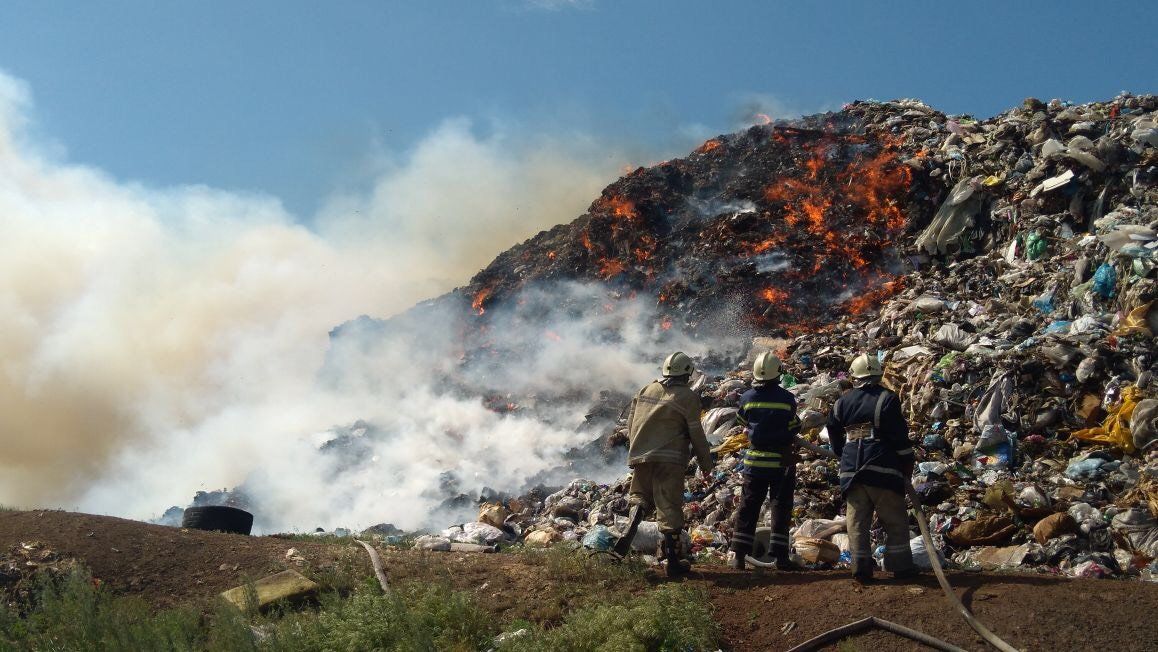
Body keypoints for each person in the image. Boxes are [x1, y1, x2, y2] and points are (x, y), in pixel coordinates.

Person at [612, 351, 713, 576]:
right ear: (687, 374)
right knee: (669, 509)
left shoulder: (645, 390)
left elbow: (630, 425)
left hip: (641, 455)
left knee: (639, 497)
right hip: (670, 459)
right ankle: (675, 564)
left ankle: (628, 532)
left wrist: (635, 450)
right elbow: (696, 433)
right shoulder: (687, 396)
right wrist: (706, 465)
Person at [826, 352, 917, 583]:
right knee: (894, 520)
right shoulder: (887, 399)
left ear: (854, 377)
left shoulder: (841, 402)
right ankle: (901, 568)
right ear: (878, 374)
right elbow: (898, 436)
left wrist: (841, 453)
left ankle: (860, 569)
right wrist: (907, 461)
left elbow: (833, 432)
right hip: (882, 468)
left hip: (851, 473)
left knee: (856, 523)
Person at [728, 352, 802, 570]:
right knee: (780, 506)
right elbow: (794, 425)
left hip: (754, 462)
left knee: (748, 506)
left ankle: (739, 556)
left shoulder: (747, 398)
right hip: (780, 462)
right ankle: (780, 557)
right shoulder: (787, 399)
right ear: (778, 373)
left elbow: (742, 420)